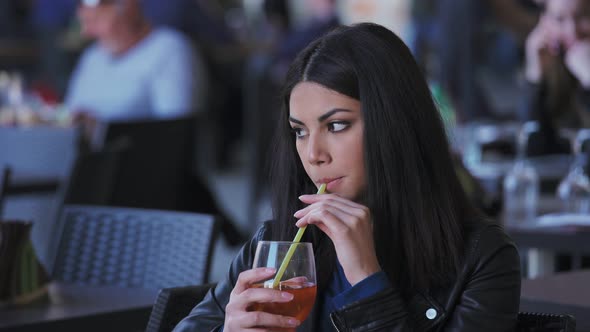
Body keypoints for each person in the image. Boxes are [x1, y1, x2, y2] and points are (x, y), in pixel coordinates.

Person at [174, 23, 521, 331]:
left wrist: (367, 280)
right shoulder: (276, 244)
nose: (313, 154)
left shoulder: (482, 259)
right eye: (299, 131)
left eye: (336, 125)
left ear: (395, 125)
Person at [65, 0, 207, 121]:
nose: (87, 31)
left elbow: (175, 128)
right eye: (83, 21)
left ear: (128, 9)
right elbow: (70, 112)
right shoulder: (93, 56)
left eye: (96, 20)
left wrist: (102, 128)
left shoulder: (169, 49)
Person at [522, 0, 590, 155]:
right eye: (559, 19)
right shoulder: (549, 58)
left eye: (584, 16)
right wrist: (535, 76)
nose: (572, 31)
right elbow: (532, 148)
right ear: (544, 21)